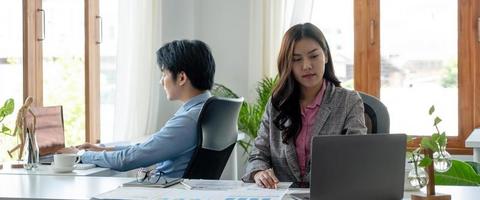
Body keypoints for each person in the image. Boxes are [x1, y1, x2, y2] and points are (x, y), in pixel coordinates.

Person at [58, 39, 216, 178]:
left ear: (181, 78)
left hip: (164, 192)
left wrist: (80, 155)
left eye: (164, 74)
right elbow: (148, 148)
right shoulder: (208, 110)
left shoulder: (188, 120)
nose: (161, 82)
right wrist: (103, 149)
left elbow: (127, 160)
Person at [242, 23, 367, 188]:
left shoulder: (348, 101)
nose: (306, 65)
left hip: (331, 194)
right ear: (288, 64)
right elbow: (258, 155)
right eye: (296, 59)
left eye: (314, 56)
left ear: (326, 56)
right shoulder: (277, 104)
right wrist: (259, 172)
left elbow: (357, 158)